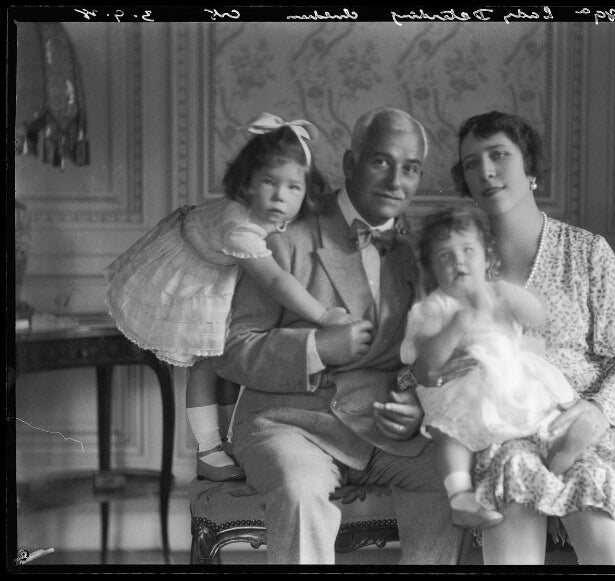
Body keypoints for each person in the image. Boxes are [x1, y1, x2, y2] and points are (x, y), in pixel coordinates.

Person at [212, 107, 464, 564]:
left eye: (410, 169)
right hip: (288, 424)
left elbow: (423, 353)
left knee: (451, 478)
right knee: (300, 491)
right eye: (380, 161)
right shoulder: (282, 234)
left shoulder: (416, 254)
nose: (396, 181)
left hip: (380, 426)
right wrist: (317, 348)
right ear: (350, 164)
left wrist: (415, 405)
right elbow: (231, 349)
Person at [413, 111, 615, 566]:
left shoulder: (586, 251)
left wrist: (598, 410)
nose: (486, 171)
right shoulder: (458, 265)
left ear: (530, 167)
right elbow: (425, 357)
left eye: (499, 155)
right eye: (471, 163)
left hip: (581, 417)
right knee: (512, 496)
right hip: (498, 427)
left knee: (597, 511)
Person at [105, 113, 356, 482]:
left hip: (222, 268)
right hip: (193, 272)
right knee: (206, 363)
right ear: (248, 183)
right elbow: (275, 281)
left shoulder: (277, 216)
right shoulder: (240, 226)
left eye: (293, 187)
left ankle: (228, 440)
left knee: (227, 361)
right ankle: (207, 450)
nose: (280, 196)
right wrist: (323, 315)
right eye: (268, 182)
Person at [400, 206, 579, 530]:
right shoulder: (435, 306)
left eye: (468, 250)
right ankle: (460, 496)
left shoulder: (498, 292)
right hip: (461, 388)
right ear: (431, 268)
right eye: (444, 255)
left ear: (487, 258)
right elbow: (428, 361)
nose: (458, 261)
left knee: (543, 413)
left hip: (509, 378)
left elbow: (539, 318)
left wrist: (508, 295)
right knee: (452, 435)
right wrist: (456, 325)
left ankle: (561, 450)